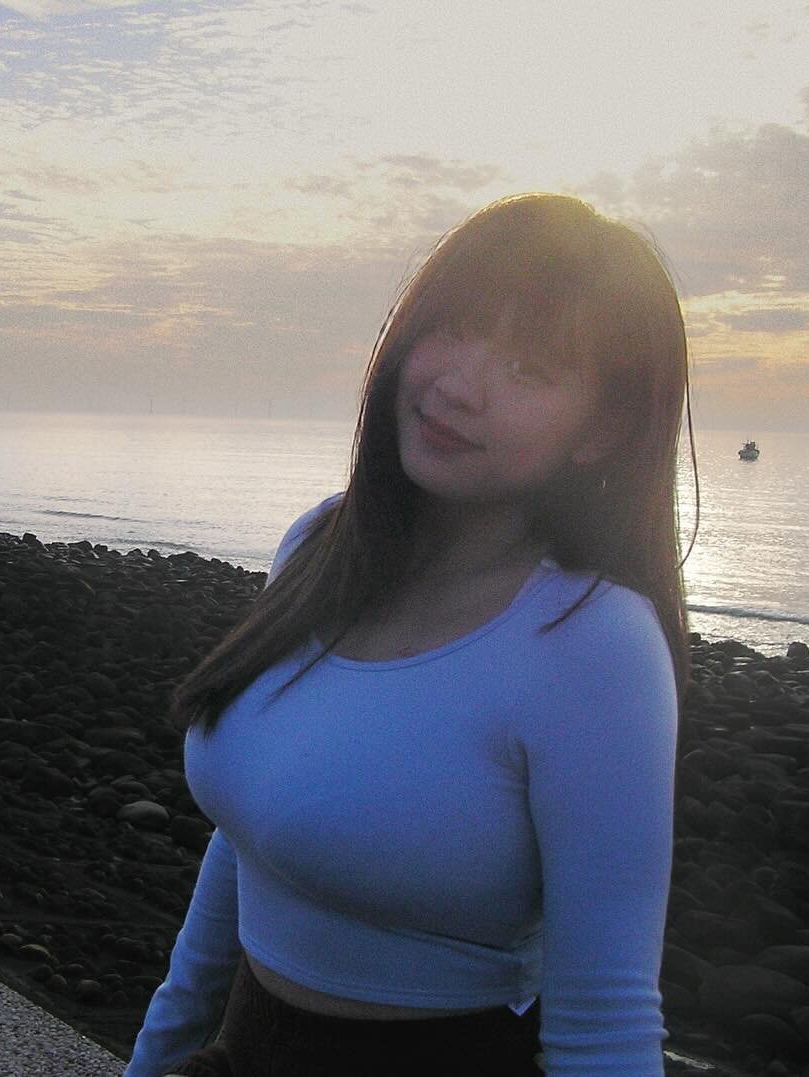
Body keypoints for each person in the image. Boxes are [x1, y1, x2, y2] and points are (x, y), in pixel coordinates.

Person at [125, 192, 694, 1077]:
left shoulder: (594, 644)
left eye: (528, 368)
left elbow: (606, 1023)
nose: (458, 386)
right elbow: (249, 840)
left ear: (603, 430)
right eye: (453, 330)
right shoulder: (318, 547)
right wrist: (156, 1051)